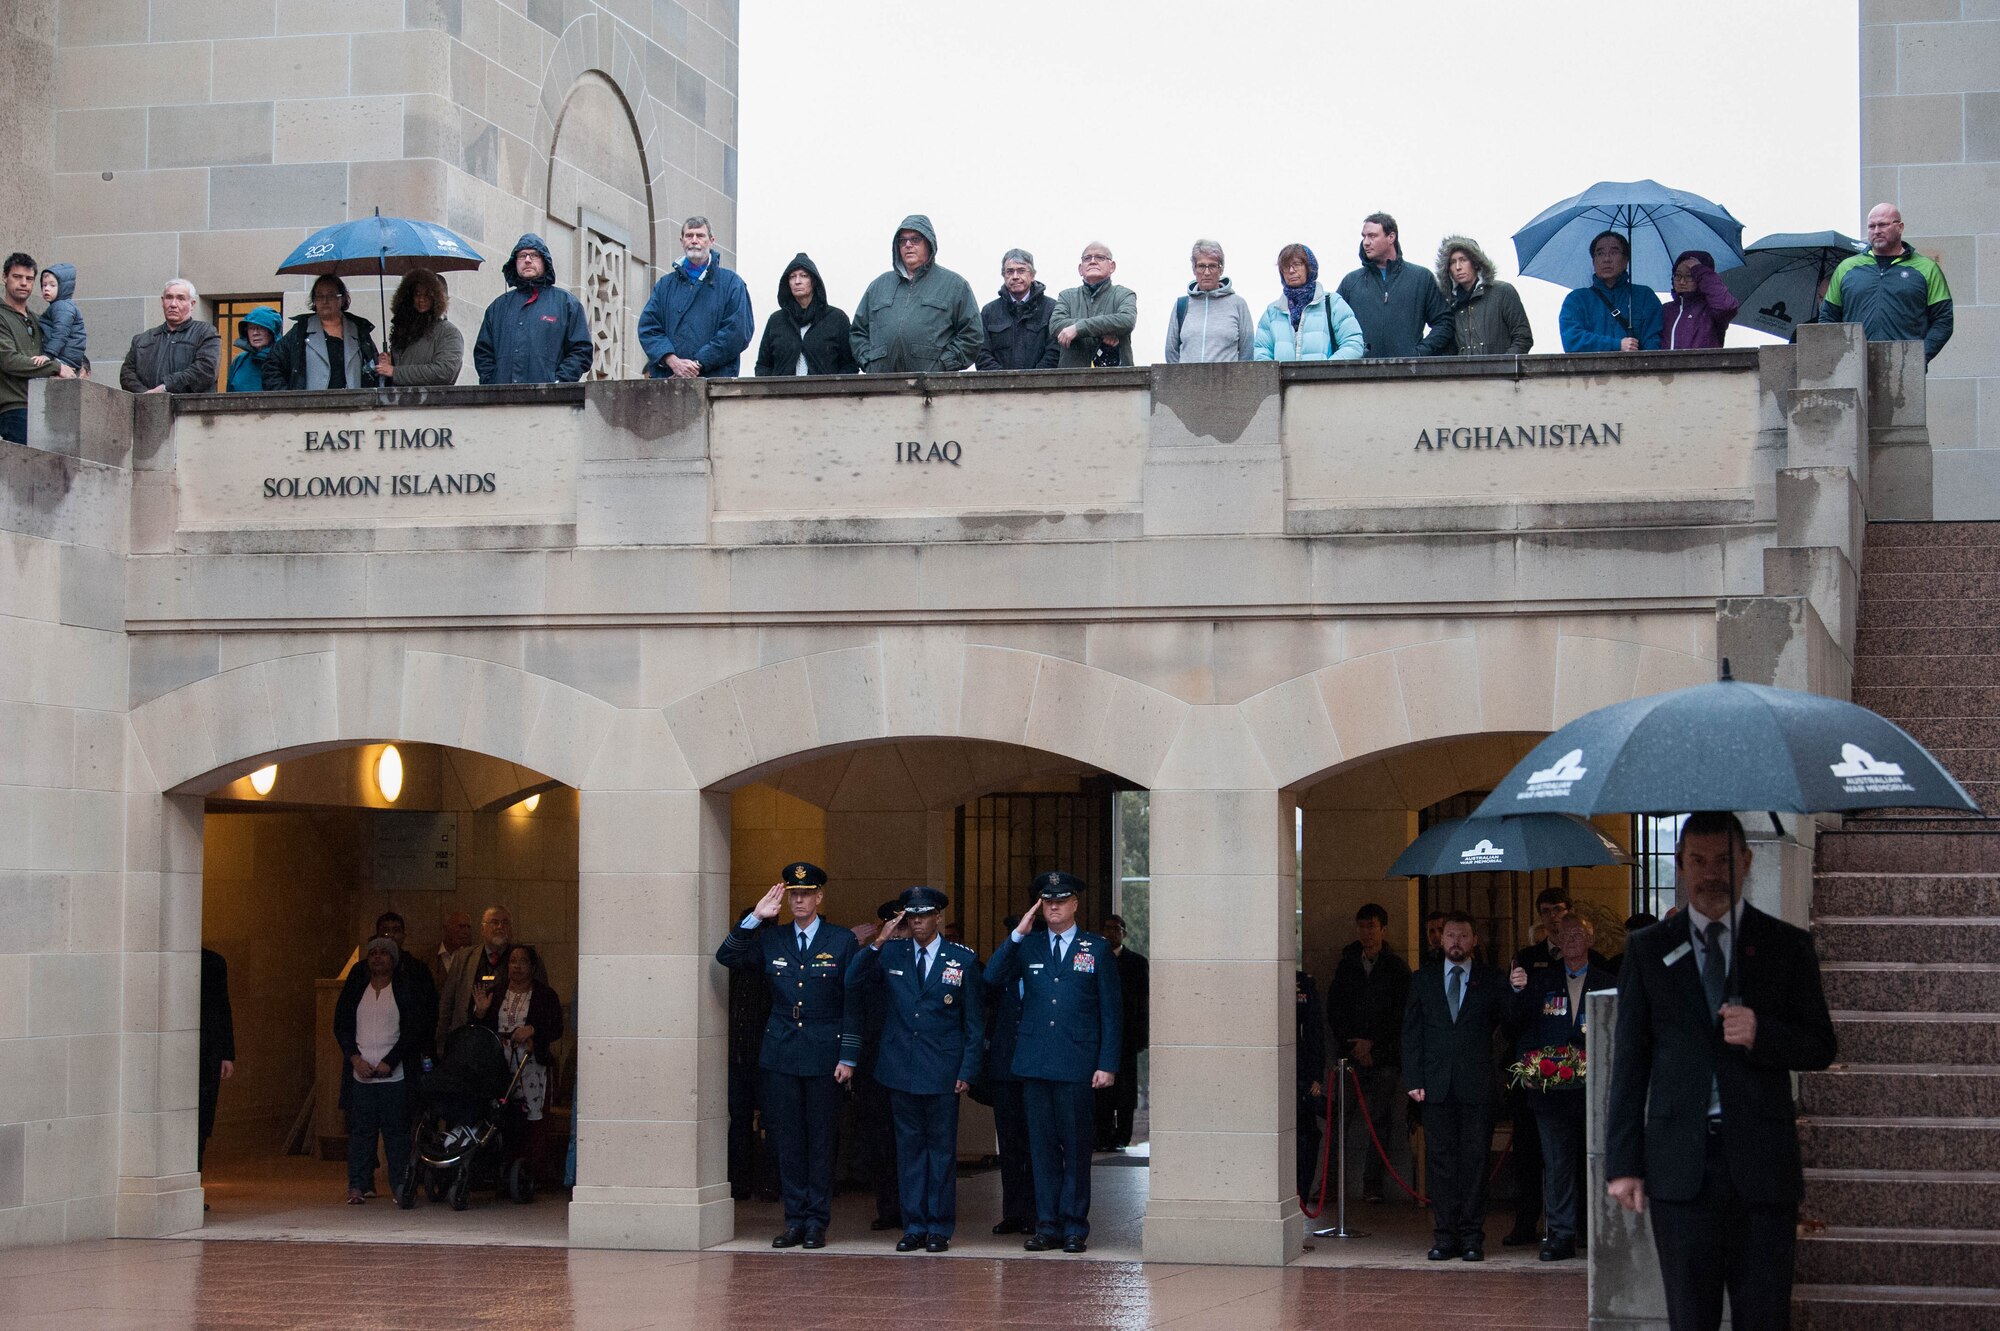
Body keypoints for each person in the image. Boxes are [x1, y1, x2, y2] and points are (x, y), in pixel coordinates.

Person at [1607, 812, 1838, 1331]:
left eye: (1722, 861)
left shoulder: (1786, 946)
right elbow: (1630, 1062)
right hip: (1679, 1172)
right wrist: (1623, 1163)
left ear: (1746, 862)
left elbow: (1821, 1045)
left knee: (1764, 1317)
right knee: (1691, 1318)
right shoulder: (1649, 950)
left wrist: (1764, 1033)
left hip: (1762, 1171)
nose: (1711, 874)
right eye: (1698, 861)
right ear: (1681, 866)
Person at [714, 862, 860, 1249]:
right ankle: (794, 1219)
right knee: (787, 1140)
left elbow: (852, 1003)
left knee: (821, 1139)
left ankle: (817, 1221)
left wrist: (848, 1056)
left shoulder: (840, 940)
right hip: (780, 1051)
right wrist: (755, 919)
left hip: (825, 1051)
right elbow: (726, 957)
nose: (799, 900)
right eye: (793, 894)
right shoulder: (770, 938)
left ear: (818, 897)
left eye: (806, 894)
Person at [982, 871, 1122, 1254]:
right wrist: (1018, 934)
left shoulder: (1095, 949)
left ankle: (1074, 1226)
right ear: (1039, 907)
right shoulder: (1028, 946)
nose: (1054, 907)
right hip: (1034, 1062)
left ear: (1075, 903)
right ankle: (1047, 1224)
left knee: (1075, 1148)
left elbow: (1111, 1012)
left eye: (1061, 900)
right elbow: (991, 978)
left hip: (1077, 1063)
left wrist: (1107, 1063)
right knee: (1040, 1148)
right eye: (1047, 902)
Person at [844, 886, 983, 1253]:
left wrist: (967, 1069)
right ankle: (914, 1225)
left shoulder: (962, 959)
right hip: (899, 1068)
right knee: (908, 1152)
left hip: (942, 1069)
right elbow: (851, 981)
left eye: (924, 915)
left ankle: (938, 1227)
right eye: (912, 916)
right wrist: (877, 942)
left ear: (938, 916)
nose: (918, 921)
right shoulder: (892, 952)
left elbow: (974, 1024)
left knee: (940, 1152)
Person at [1508, 915, 1615, 1262]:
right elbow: (1520, 1025)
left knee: (1597, 1162)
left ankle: (1598, 1231)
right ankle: (1561, 1234)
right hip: (1550, 1090)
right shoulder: (1540, 982)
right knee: (1557, 1164)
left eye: (1578, 934)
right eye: (1565, 934)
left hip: (1594, 1090)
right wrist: (1526, 1064)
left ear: (1590, 938)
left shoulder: (1609, 982)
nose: (1571, 940)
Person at [1403, 911, 1506, 1261]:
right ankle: (1444, 1236)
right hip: (1435, 1086)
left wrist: (1518, 990)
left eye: (1463, 936)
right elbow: (1411, 1032)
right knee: (1442, 1163)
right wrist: (1414, 1079)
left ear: (1474, 940)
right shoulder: (1423, 979)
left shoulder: (1492, 980)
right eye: (1450, 935)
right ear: (1441, 939)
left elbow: (1510, 1022)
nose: (1456, 942)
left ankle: (1472, 1237)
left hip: (1477, 1085)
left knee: (1475, 1162)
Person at [1326, 903, 1411, 1203]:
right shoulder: (1347, 964)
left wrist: (1374, 1044)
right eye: (1362, 926)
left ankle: (1373, 1185)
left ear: (1382, 929)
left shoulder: (1396, 968)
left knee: (1381, 1120)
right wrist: (1355, 1046)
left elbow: (1402, 1016)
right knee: (1340, 1118)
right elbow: (1335, 1009)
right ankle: (1331, 1185)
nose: (1366, 932)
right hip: (1350, 1057)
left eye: (1372, 926)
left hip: (1384, 1058)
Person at [333, 935, 421, 1204]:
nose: (378, 957)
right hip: (362, 1076)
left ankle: (400, 1185)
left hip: (393, 1076)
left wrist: (390, 1061)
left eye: (384, 953)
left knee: (396, 1133)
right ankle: (357, 1185)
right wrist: (355, 1059)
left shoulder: (404, 989)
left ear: (393, 960)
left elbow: (411, 1031)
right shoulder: (357, 988)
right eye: (373, 953)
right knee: (361, 1132)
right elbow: (342, 1026)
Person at [469, 941, 565, 1186]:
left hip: (530, 1064)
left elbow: (556, 1028)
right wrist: (480, 1012)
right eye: (513, 961)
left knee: (531, 1119)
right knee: (500, 1113)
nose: (517, 967)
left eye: (522, 962)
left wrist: (532, 1029)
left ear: (532, 967)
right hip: (499, 1064)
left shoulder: (545, 994)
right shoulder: (496, 992)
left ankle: (530, 1174)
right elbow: (479, 1030)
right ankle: (497, 1171)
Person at [1820, 203, 1954, 363]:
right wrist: (1841, 357)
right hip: (1854, 365)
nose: (1876, 231)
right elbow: (1828, 318)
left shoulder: (1927, 268)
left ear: (1900, 227)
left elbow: (1943, 320)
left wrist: (1920, 357)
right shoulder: (1847, 268)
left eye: (1883, 224)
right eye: (1871, 226)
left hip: (1905, 367)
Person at [850, 214, 983, 374]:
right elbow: (858, 333)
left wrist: (943, 365)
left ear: (929, 243)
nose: (908, 245)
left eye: (915, 239)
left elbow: (972, 335)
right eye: (902, 240)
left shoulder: (954, 285)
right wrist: (870, 362)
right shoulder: (878, 286)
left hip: (932, 389)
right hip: (883, 389)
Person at [849, 899, 906, 1230]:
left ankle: (916, 1209)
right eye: (891, 926)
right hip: (874, 1063)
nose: (896, 933)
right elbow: (851, 990)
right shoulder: (870, 960)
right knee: (881, 1140)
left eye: (901, 926)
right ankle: (889, 1208)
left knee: (911, 1141)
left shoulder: (921, 958)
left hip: (911, 1063)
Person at [638, 216, 753, 379]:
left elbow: (737, 332)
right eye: (689, 235)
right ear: (682, 240)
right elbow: (648, 327)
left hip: (715, 384)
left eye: (700, 236)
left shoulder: (732, 284)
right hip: (668, 384)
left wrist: (697, 364)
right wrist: (671, 360)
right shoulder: (665, 285)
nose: (694, 240)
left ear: (711, 240)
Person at [473, 233, 593, 384]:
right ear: (514, 263)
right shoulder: (498, 308)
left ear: (544, 261)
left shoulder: (566, 304)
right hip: (502, 401)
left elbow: (581, 351)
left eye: (534, 255)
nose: (528, 260)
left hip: (548, 401)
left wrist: (559, 382)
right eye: (522, 256)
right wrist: (492, 383)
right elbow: (483, 353)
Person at [1335, 213, 1453, 358]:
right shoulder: (1351, 282)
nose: (1366, 242)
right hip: (1362, 376)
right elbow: (1333, 325)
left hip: (1408, 376)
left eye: (1372, 236)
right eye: (1364, 236)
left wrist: (1419, 354)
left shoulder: (1421, 278)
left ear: (1391, 237)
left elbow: (1444, 323)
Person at [984, 912, 1035, 1235]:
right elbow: (987, 980)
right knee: (1011, 1145)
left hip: (1034, 1069)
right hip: (1005, 1070)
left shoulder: (1043, 971)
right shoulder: (1003, 970)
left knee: (1036, 1145)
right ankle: (1013, 1211)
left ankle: (1038, 1211)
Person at [342, 911, 439, 1064]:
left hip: (408, 1056)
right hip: (362, 1060)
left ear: (403, 935)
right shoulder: (360, 971)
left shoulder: (417, 969)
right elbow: (344, 1018)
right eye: (386, 930)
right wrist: (354, 1056)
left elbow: (426, 1014)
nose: (391, 935)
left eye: (396, 930)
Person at [262, 275, 380, 391]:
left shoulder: (359, 331)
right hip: (313, 408)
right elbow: (271, 367)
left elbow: (374, 370)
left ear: (343, 298)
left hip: (355, 406)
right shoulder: (300, 332)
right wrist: (289, 398)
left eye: (331, 295)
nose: (325, 300)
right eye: (319, 296)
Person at [437, 905, 532, 1047]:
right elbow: (447, 1002)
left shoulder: (525, 958)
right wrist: (441, 1042)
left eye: (505, 922)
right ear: (482, 929)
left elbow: (541, 998)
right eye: (494, 922)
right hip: (469, 1040)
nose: (500, 927)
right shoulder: (464, 957)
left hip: (511, 1042)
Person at [1, 252, 71, 443]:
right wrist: (55, 368)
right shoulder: (1, 316)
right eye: (17, 277)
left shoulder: (38, 319)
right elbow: (9, 360)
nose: (24, 283)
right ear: (5, 277)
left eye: (29, 278)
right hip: (14, 408)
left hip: (44, 406)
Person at [1254, 244, 1365, 362]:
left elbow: (1353, 344)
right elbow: (1261, 352)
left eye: (1297, 264)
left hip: (1324, 380)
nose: (1291, 270)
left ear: (1309, 267)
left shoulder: (1332, 304)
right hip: (1282, 381)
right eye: (1286, 266)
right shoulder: (1272, 312)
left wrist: (1327, 370)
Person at [752, 253, 857, 376]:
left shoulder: (837, 319)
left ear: (814, 281)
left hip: (826, 394)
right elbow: (763, 365)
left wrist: (835, 391)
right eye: (792, 277)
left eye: (804, 276)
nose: (797, 281)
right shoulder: (776, 321)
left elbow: (849, 365)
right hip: (782, 394)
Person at [1094, 913, 1148, 1151]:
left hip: (1127, 1036)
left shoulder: (1136, 962)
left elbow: (1143, 1001)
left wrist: (1142, 1036)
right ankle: (1102, 1135)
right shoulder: (1094, 959)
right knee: (1101, 1091)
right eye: (1106, 928)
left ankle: (1122, 1136)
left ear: (1124, 933)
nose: (1111, 933)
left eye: (1116, 929)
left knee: (1126, 1092)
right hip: (1100, 1035)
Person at [1560, 231, 1664, 353]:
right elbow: (1572, 340)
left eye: (1614, 252)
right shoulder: (1577, 299)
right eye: (1600, 253)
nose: (1607, 259)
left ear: (1626, 260)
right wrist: (1616, 344)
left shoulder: (1645, 297)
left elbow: (1654, 343)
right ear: (1593, 262)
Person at [1433, 236, 1533, 355]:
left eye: (1463, 260)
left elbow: (1523, 338)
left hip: (1502, 372)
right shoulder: (1451, 304)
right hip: (1464, 372)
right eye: (1452, 262)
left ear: (1475, 263)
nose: (1458, 267)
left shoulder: (1503, 292)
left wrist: (1503, 367)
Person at [120, 278, 219, 394]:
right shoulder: (142, 339)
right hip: (146, 407)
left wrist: (166, 387)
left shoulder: (205, 332)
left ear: (192, 304)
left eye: (180, 299)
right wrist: (146, 395)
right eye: (169, 297)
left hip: (188, 409)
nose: (173, 304)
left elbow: (206, 370)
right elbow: (126, 375)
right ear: (162, 301)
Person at [1165, 239, 1255, 363]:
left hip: (1227, 381)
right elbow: (1171, 352)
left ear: (1221, 269)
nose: (1207, 272)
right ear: (1194, 269)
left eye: (1212, 266)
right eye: (1201, 266)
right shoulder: (1181, 306)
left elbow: (1247, 352)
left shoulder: (1238, 304)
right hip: (1188, 381)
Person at [1051, 242, 1138, 369]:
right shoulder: (1066, 296)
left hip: (1117, 382)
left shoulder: (1124, 294)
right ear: (1080, 269)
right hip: (1072, 380)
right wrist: (1106, 329)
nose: (1092, 261)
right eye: (1087, 258)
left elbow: (1126, 320)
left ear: (1112, 266)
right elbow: (1056, 325)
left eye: (1100, 257)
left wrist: (1077, 329)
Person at [974, 249, 1059, 372]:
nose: (1015, 276)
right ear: (1003, 275)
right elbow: (981, 353)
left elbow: (1054, 352)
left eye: (1021, 271)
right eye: (1010, 271)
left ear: (1032, 275)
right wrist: (1004, 380)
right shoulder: (989, 312)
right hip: (999, 388)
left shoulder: (1051, 308)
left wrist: (1033, 380)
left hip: (1041, 388)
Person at [375, 270, 464, 386]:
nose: (422, 299)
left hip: (430, 402)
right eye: (417, 294)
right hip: (399, 401)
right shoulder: (404, 330)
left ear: (437, 299)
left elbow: (444, 372)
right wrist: (389, 363)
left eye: (428, 295)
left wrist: (395, 372)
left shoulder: (448, 332)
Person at [198, 947, 237, 1176]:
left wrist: (226, 1053)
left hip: (209, 1051)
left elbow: (223, 1007)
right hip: (194, 1050)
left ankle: (195, 1179)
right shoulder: (212, 962)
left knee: (202, 1121)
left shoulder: (213, 962)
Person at [1660, 250, 1740, 350]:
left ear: (1700, 278)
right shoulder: (1665, 309)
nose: (1682, 281)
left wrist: (1699, 270)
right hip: (1665, 365)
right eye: (1677, 275)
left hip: (1703, 365)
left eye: (1689, 276)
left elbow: (1726, 307)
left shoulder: (1710, 310)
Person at [1295, 969, 1328, 1202]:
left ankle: (1302, 1197)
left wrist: (1316, 1075)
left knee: (1307, 1136)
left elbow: (1314, 1029)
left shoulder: (1303, 982)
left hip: (1301, 1073)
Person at [37, 263, 87, 373]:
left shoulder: (62, 307)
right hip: (67, 356)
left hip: (63, 358)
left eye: (52, 285)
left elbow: (60, 333)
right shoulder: (61, 306)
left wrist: (48, 355)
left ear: (63, 287)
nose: (46, 289)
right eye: (44, 285)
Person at [224, 306, 283, 392]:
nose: (255, 333)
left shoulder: (285, 359)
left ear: (272, 332)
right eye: (251, 328)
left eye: (261, 328)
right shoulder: (240, 360)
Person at [432, 910, 473, 992]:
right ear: (446, 928)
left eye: (468, 927)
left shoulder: (473, 957)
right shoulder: (428, 957)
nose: (466, 932)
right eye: (461, 926)